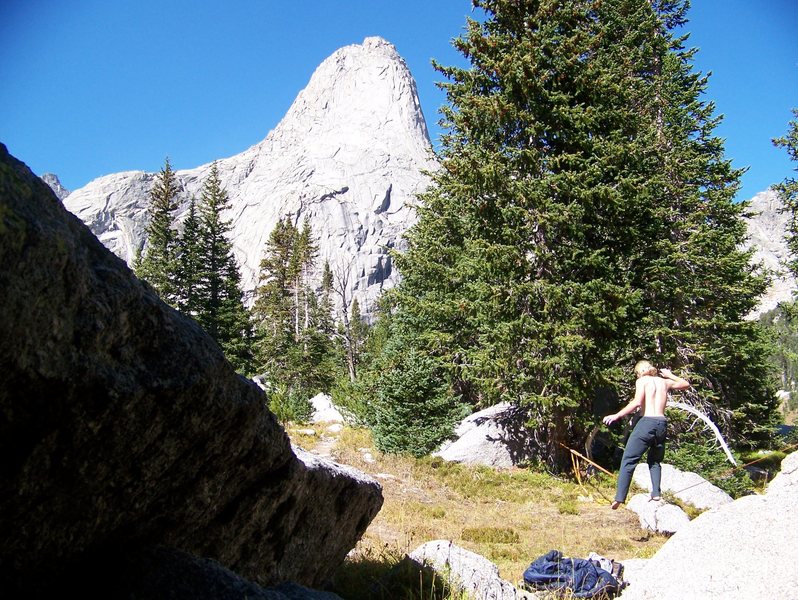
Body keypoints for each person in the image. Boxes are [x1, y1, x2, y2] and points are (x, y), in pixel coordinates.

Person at [603, 360, 690, 509]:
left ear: (640, 372)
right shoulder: (664, 382)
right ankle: (656, 493)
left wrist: (617, 415)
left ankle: (619, 498)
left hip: (647, 422)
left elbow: (637, 402)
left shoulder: (642, 381)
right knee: (655, 461)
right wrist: (671, 375)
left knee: (628, 460)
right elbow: (685, 384)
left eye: (637, 373)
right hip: (662, 424)